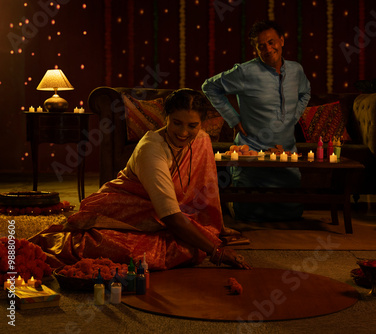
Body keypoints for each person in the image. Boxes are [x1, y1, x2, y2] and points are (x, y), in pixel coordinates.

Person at [30, 89, 251, 270]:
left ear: (201, 124)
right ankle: (62, 243)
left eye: (192, 125)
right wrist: (217, 251)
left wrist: (216, 226)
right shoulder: (151, 149)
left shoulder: (201, 140)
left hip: (161, 213)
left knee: (192, 245)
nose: (184, 132)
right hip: (122, 210)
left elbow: (206, 187)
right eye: (177, 123)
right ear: (165, 118)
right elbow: (172, 217)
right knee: (149, 254)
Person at [202, 20, 311, 222]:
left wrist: (294, 116)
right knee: (248, 216)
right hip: (252, 154)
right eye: (261, 46)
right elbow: (209, 87)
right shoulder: (245, 72)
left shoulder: (296, 70)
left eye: (271, 42)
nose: (268, 49)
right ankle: (232, 202)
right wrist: (233, 119)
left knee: (293, 214)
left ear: (282, 40)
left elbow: (306, 92)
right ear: (255, 49)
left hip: (286, 156)